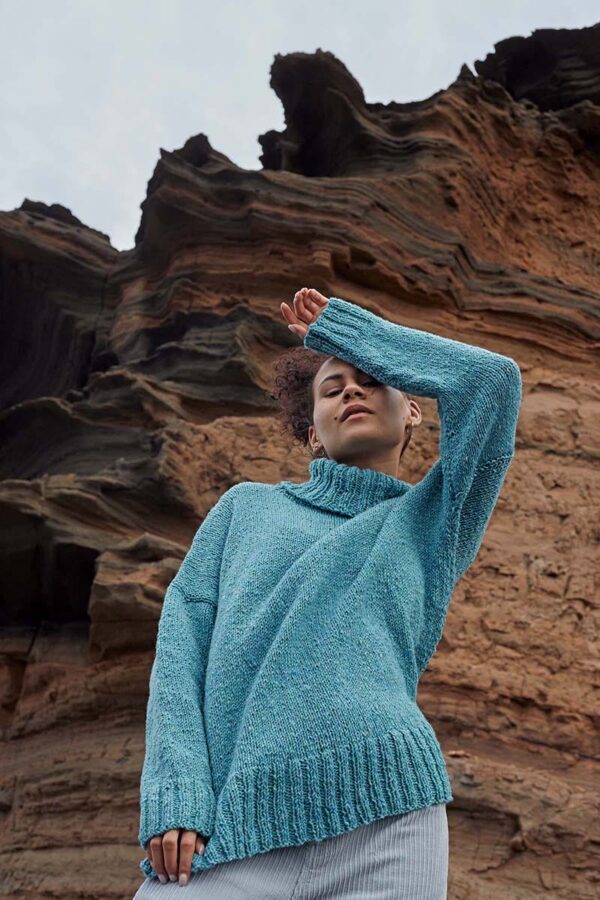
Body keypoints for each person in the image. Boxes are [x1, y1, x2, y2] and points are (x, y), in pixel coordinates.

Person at [133, 288, 522, 898]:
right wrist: (175, 792)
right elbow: (182, 649)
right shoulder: (246, 510)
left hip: (391, 824)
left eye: (371, 381)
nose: (351, 392)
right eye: (331, 389)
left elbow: (493, 383)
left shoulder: (435, 521)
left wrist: (352, 334)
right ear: (312, 432)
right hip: (234, 828)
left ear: (413, 412)